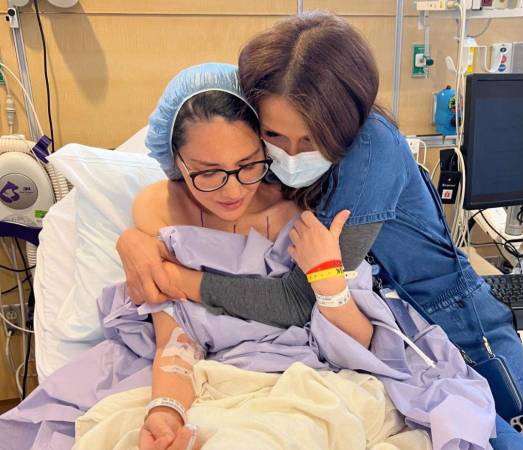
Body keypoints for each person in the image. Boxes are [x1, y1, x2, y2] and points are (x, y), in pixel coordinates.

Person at [117, 12, 523, 450]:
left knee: (520, 441)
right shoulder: (255, 174)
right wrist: (132, 241)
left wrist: (176, 278)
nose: (290, 157)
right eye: (273, 136)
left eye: (311, 140)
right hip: (377, 330)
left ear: (343, 126)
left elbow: (298, 299)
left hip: (448, 318)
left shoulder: (370, 152)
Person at [136, 62, 373, 449]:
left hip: (316, 380)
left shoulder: (303, 211)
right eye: (207, 172)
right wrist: (165, 411)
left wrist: (329, 282)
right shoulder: (161, 211)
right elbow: (175, 338)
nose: (232, 191)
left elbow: (362, 340)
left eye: (248, 165)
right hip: (223, 387)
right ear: (176, 161)